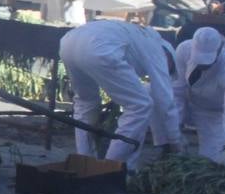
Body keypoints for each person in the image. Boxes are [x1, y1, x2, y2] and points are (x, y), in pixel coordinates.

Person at [59, 19, 181, 171]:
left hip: (68, 43)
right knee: (140, 106)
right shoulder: (158, 51)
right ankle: (111, 167)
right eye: (169, 70)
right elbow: (165, 99)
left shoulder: (138, 36)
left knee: (86, 103)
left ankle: (85, 163)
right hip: (99, 48)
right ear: (169, 57)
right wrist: (175, 141)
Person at [173, 27, 225, 168]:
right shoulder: (183, 50)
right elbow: (177, 91)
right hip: (188, 103)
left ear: (218, 51)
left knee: (215, 163)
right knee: (152, 92)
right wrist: (175, 130)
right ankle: (165, 147)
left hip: (213, 113)